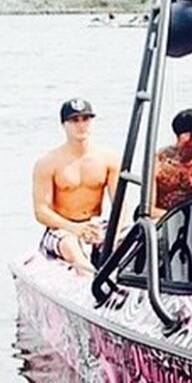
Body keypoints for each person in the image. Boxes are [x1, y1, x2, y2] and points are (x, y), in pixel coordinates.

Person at [32, 98, 120, 273]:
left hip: (95, 224)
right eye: (74, 120)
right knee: (71, 248)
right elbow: (41, 211)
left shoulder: (109, 158)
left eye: (85, 119)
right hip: (62, 228)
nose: (81, 125)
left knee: (129, 242)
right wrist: (75, 229)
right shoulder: (47, 162)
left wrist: (115, 233)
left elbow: (120, 203)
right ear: (64, 125)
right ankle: (87, 281)